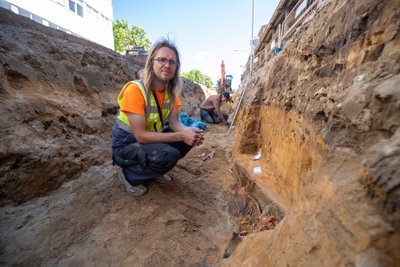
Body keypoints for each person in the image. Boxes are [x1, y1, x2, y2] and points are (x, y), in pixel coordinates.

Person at [111, 38, 204, 196]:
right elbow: (141, 136)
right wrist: (181, 134)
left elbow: (175, 123)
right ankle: (130, 175)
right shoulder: (135, 90)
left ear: (176, 68)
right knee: (169, 154)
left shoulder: (171, 93)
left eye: (172, 62)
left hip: (149, 142)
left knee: (187, 139)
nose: (167, 65)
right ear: (151, 62)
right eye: (162, 59)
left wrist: (189, 131)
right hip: (126, 146)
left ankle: (152, 170)